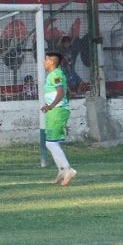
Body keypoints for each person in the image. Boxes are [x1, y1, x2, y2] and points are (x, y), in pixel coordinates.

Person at [41, 51, 77, 186]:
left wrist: (50, 106)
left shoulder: (56, 74)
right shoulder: (52, 74)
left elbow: (61, 92)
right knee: (50, 143)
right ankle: (62, 170)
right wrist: (49, 106)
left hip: (57, 111)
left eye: (46, 60)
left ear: (51, 62)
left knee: (51, 143)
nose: (44, 62)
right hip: (54, 111)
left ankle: (68, 170)